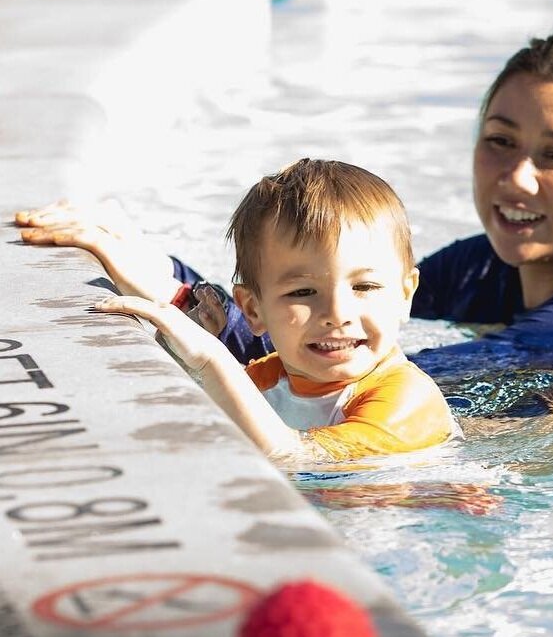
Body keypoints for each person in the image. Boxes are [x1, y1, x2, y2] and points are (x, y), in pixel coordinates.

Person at [18, 24, 553, 368]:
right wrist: (158, 266)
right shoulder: (485, 268)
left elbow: (342, 386)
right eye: (499, 140)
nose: (516, 177)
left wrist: (175, 292)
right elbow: (321, 333)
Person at [86, 158, 460, 463]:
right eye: (303, 291)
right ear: (252, 309)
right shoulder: (269, 377)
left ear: (405, 295)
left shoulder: (406, 398)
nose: (336, 313)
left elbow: (294, 456)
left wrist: (209, 356)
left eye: (364, 287)